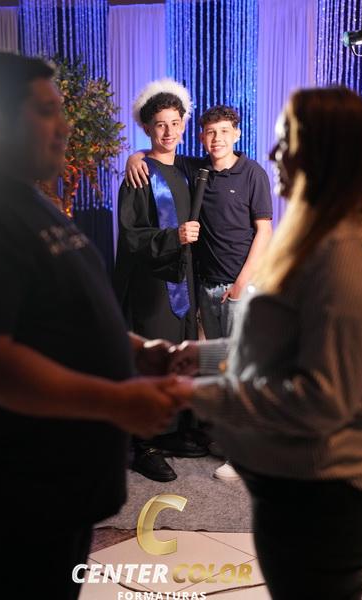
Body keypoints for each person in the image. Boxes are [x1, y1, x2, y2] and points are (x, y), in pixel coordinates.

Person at [0, 52, 183, 600]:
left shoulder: (30, 198)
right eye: (47, 111)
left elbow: (59, 319)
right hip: (11, 489)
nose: (66, 127)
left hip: (58, 482)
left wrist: (138, 350)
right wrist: (117, 401)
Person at [168, 86, 362, 600]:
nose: (272, 153)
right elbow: (282, 354)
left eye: (285, 141)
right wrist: (192, 357)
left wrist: (192, 393)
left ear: (324, 152)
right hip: (295, 484)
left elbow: (321, 399)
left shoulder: (347, 253)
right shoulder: (317, 235)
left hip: (325, 493)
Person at [126, 105, 273, 481]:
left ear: (237, 134)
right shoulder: (197, 170)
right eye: (210, 132)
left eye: (224, 131)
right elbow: (161, 155)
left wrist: (242, 284)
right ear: (201, 136)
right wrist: (134, 156)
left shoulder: (252, 173)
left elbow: (265, 231)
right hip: (206, 286)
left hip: (241, 286)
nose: (217, 138)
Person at [114, 79, 207, 483]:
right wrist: (173, 236)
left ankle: (169, 433)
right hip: (152, 283)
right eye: (159, 124)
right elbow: (131, 236)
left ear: (184, 124)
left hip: (184, 278)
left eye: (174, 123)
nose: (168, 131)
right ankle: (144, 445)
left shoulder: (187, 168)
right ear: (147, 128)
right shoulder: (139, 175)